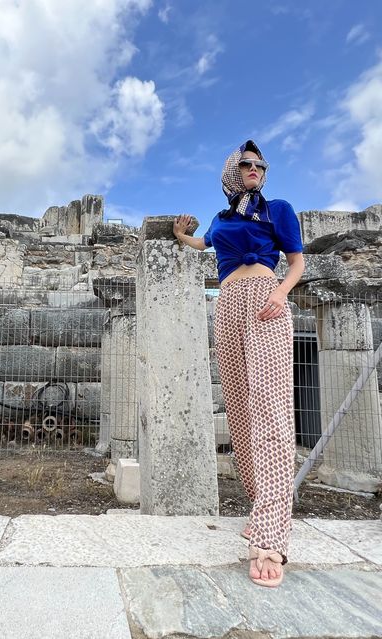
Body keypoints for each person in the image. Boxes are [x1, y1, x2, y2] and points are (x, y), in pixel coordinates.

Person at [173, 140, 305, 588]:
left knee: (270, 407)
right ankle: (259, 503)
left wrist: (281, 293)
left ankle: (271, 535)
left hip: (265, 298)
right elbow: (201, 243)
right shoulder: (222, 220)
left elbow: (296, 261)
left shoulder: (279, 209)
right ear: (233, 172)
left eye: (260, 165)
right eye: (246, 164)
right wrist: (179, 236)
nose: (254, 169)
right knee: (240, 410)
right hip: (227, 304)